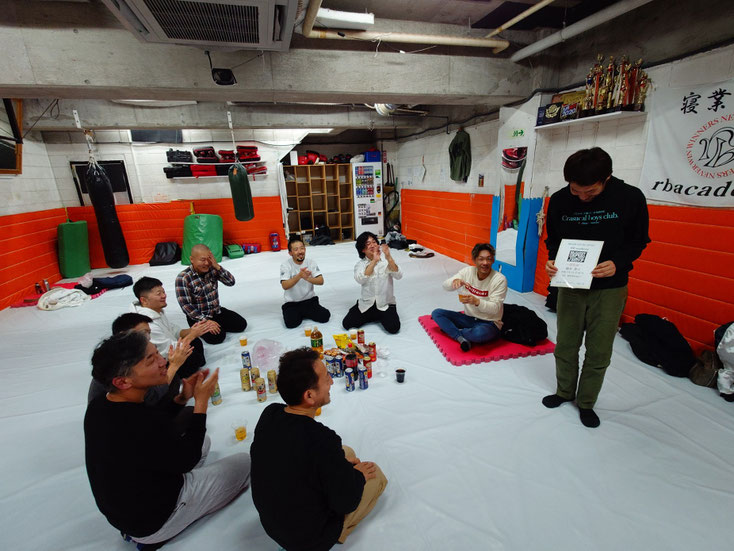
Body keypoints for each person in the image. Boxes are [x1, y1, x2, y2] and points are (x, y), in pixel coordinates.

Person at [84, 331, 250, 547]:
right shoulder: (138, 423)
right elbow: (188, 459)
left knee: (205, 441)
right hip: (153, 519)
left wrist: (182, 398)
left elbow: (155, 424)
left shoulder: (101, 405)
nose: (163, 362)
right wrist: (201, 403)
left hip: (130, 503)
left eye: (157, 354)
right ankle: (170, 526)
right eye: (150, 360)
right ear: (122, 381)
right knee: (245, 462)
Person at [543, 147, 650, 428]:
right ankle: (564, 391)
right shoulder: (560, 200)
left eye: (589, 191)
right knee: (566, 344)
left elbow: (639, 240)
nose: (582, 197)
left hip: (610, 287)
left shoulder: (630, 198)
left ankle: (587, 401)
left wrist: (618, 263)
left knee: (599, 349)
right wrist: (553, 260)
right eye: (575, 190)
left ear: (607, 178)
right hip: (571, 283)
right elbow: (553, 239)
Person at [251, 347, 387, 551]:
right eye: (326, 378)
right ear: (309, 395)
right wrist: (357, 476)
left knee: (346, 452)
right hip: (306, 539)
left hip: (272, 523)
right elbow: (346, 503)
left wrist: (341, 468)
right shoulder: (323, 440)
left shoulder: (270, 413)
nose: (331, 381)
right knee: (376, 475)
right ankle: (337, 533)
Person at [87, 313, 193, 406]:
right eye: (143, 333)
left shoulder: (128, 353)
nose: (148, 338)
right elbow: (152, 396)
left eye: (149, 333)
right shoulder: (123, 362)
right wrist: (174, 365)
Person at [431, 243, 508, 352]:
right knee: (437, 313)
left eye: (489, 259)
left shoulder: (499, 280)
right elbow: (445, 286)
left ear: (493, 260)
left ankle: (453, 331)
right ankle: (461, 337)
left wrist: (477, 302)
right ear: (474, 260)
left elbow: (495, 308)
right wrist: (454, 281)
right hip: (469, 318)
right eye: (481, 259)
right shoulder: (467, 272)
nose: (485, 263)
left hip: (489, 323)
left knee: (479, 334)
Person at [132, 276, 213, 377]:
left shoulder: (156, 310)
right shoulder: (146, 325)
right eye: (158, 294)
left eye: (163, 292)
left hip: (172, 346)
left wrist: (193, 330)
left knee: (196, 342)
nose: (164, 296)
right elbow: (168, 350)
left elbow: (173, 330)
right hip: (163, 360)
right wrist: (192, 335)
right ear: (144, 300)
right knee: (193, 357)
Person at [175, 244, 246, 344]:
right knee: (218, 337)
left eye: (209, 259)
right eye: (202, 260)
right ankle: (211, 327)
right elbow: (186, 306)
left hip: (216, 312)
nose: (207, 263)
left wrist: (217, 266)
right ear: (192, 259)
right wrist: (206, 321)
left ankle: (217, 324)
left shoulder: (212, 269)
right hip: (198, 317)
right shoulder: (183, 278)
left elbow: (231, 282)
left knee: (241, 325)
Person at [342, 232, 402, 334]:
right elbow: (360, 279)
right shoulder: (360, 265)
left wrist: (388, 256)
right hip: (367, 304)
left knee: (394, 328)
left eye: (374, 242)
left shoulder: (386, 261)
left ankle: (378, 315)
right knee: (347, 324)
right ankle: (371, 315)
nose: (372, 245)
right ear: (363, 250)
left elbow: (399, 275)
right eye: (368, 244)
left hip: (385, 304)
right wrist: (374, 261)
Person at [280, 237, 331, 328]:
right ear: (290, 253)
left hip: (309, 301)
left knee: (325, 316)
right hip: (292, 303)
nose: (300, 252)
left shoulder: (310, 262)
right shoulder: (285, 265)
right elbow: (285, 285)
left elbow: (321, 281)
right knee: (291, 323)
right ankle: (299, 313)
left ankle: (304, 313)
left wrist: (307, 278)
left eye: (302, 248)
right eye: (296, 249)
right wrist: (299, 276)